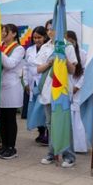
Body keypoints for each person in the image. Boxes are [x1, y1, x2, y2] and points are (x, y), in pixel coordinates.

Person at [36, 19, 78, 168]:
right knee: (50, 124)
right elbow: (38, 69)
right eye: (48, 29)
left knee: (64, 123)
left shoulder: (68, 46)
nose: (49, 32)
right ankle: (52, 153)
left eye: (52, 29)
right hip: (48, 90)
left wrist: (63, 58)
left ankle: (68, 155)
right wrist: (50, 62)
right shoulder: (45, 47)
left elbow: (73, 70)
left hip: (61, 91)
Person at [0, 24, 26, 159]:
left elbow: (10, 64)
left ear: (14, 34)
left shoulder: (18, 49)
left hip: (12, 86)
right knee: (2, 118)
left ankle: (11, 147)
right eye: (2, 32)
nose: (2, 34)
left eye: (5, 32)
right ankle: (4, 145)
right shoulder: (1, 46)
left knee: (10, 118)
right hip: (0, 86)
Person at [22, 27, 49, 143]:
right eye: (35, 37)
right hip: (33, 83)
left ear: (45, 37)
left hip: (44, 82)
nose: (37, 40)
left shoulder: (48, 49)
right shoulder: (29, 50)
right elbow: (25, 67)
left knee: (44, 108)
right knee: (35, 109)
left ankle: (48, 134)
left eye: (39, 37)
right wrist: (26, 83)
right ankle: (41, 132)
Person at [66, 30, 88, 153]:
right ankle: (68, 145)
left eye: (71, 41)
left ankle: (79, 147)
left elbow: (86, 72)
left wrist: (77, 86)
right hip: (65, 89)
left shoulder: (83, 54)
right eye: (66, 41)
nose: (69, 44)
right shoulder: (62, 55)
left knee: (78, 120)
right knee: (67, 119)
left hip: (78, 91)